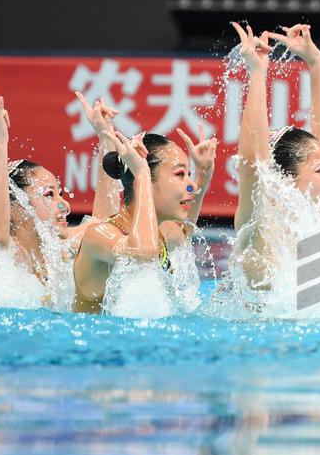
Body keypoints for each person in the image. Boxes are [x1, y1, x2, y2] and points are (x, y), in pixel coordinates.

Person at [0, 88, 119, 308]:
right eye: (49, 195)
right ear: (17, 206)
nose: (65, 204)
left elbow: (105, 225)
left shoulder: (58, 248)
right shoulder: (0, 250)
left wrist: (105, 137)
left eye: (59, 193)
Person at [228, 22, 320, 291]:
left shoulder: (308, 218)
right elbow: (252, 163)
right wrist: (257, 73)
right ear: (286, 178)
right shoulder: (260, 218)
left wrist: (315, 62)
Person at [72, 124, 216, 313]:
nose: (191, 186)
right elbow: (142, 254)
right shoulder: (100, 235)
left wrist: (203, 178)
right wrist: (141, 173)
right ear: (145, 178)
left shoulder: (162, 230)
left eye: (189, 175)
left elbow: (184, 232)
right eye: (180, 174)